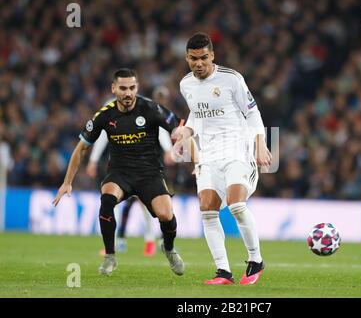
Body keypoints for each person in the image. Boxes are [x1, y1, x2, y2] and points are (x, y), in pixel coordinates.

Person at [53, 68, 185, 276]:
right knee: (106, 200)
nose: (128, 93)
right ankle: (110, 256)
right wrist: (67, 181)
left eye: (132, 88)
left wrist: (180, 138)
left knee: (166, 215)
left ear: (137, 88)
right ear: (114, 89)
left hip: (149, 173)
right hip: (119, 173)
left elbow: (179, 128)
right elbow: (81, 148)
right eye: (123, 88)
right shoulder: (104, 115)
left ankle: (168, 249)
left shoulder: (151, 109)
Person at [174, 32, 272, 285]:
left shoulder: (231, 79)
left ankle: (256, 260)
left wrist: (260, 144)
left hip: (238, 149)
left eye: (204, 58)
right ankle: (223, 272)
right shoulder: (186, 84)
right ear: (187, 58)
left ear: (212, 55)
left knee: (237, 205)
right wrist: (187, 132)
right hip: (208, 154)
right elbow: (197, 114)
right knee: (207, 210)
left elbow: (253, 113)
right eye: (194, 59)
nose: (199, 63)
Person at [86, 86, 175, 257]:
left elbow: (160, 128)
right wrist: (93, 160)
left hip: (146, 165)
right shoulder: (109, 108)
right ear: (114, 88)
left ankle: (148, 240)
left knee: (144, 203)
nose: (126, 93)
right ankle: (118, 242)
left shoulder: (145, 107)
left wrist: (168, 149)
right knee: (113, 202)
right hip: (120, 166)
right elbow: (101, 137)